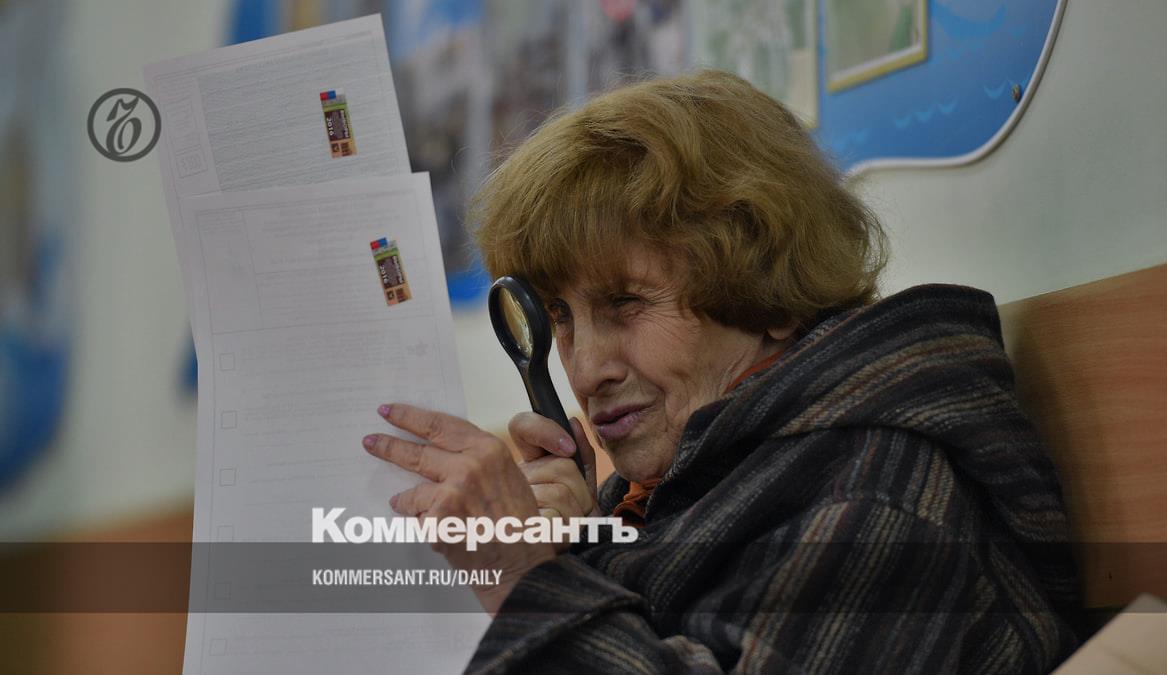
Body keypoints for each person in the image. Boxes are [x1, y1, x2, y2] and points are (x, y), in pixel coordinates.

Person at [361, 70, 1081, 673]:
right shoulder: (694, 479)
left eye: (626, 303)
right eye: (561, 317)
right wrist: (578, 547)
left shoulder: (874, 494)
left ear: (769, 292)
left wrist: (527, 580)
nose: (585, 368)